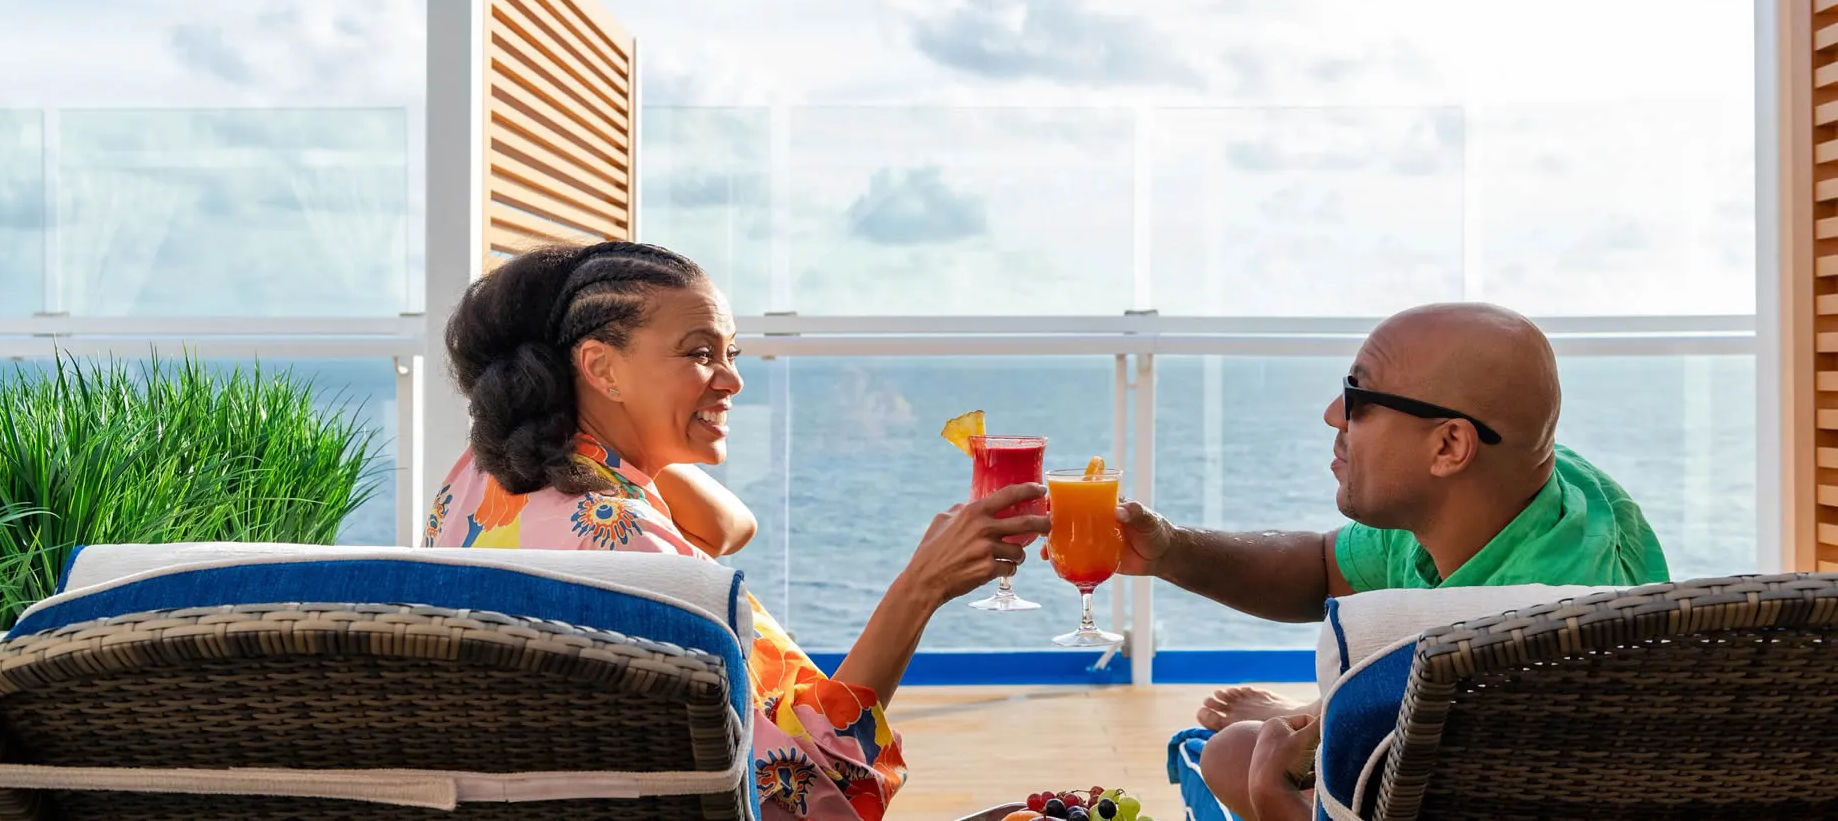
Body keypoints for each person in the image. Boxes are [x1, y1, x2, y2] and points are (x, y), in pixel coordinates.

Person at [424, 240, 1050, 820]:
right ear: (601, 368)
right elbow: (802, 790)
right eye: (700, 353)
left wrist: (654, 449)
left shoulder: (489, 474)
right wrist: (923, 586)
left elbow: (730, 526)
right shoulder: (634, 549)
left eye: (731, 353)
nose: (732, 380)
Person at [1111, 302, 1669, 820]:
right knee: (1236, 749)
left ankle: (1322, 710)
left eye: (1359, 398)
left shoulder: (1520, 651)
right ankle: (1323, 708)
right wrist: (1170, 549)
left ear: (1450, 446)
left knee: (1236, 755)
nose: (1333, 415)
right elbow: (1323, 568)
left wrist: (1274, 799)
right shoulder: (1518, 484)